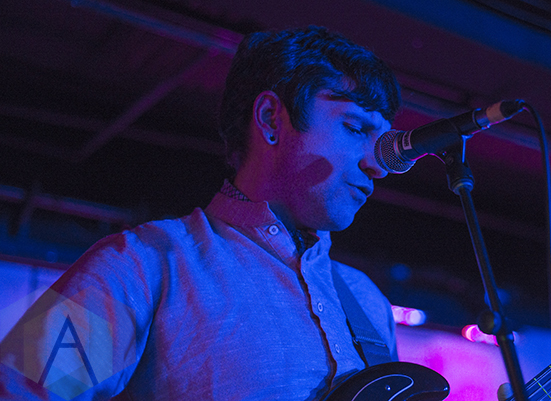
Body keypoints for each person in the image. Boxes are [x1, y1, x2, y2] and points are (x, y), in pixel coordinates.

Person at [0, 26, 402, 400]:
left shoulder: (367, 300)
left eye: (381, 141)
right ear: (270, 119)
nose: (377, 165)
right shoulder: (141, 265)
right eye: (355, 128)